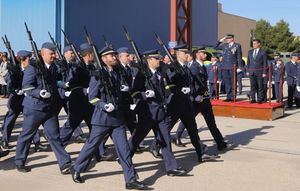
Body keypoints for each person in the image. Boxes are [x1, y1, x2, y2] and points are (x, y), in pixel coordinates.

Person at [71, 46, 149, 190]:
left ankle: (130, 179)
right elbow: (92, 98)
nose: (114, 57)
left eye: (114, 55)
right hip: (102, 119)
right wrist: (103, 105)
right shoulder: (97, 75)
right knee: (91, 145)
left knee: (124, 149)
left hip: (118, 118)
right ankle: (76, 168)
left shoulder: (117, 73)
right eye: (111, 56)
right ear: (103, 59)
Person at [14, 42, 71, 173]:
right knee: (27, 135)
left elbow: (55, 81)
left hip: (49, 108)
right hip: (34, 108)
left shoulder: (53, 67)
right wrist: (39, 92)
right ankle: (19, 161)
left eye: (55, 53)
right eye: (51, 53)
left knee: (54, 136)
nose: (54, 55)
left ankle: (64, 163)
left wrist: (64, 84)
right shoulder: (32, 67)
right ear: (43, 53)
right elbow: (26, 86)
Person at [174, 47, 228, 151]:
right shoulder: (194, 67)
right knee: (188, 120)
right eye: (203, 53)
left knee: (211, 122)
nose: (205, 55)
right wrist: (194, 96)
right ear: (198, 54)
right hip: (197, 100)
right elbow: (192, 83)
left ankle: (220, 142)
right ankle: (176, 136)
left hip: (205, 99)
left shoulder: (201, 66)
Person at [1, 50, 46, 152]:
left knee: (31, 122)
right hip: (16, 99)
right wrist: (16, 91)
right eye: (28, 58)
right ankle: (5, 140)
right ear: (22, 60)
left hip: (27, 99)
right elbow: (9, 85)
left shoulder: (31, 69)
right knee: (10, 120)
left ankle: (37, 143)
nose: (30, 60)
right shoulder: (14, 70)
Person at [216, 34, 243, 101]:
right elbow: (215, 47)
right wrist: (221, 40)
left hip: (233, 66)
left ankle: (233, 96)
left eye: (228, 38)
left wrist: (239, 67)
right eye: (226, 39)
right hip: (225, 66)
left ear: (232, 39)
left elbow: (239, 57)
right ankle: (228, 96)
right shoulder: (224, 45)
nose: (227, 40)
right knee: (227, 82)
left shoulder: (237, 45)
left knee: (233, 82)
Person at [246, 39, 267, 104]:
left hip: (260, 72)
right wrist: (247, 70)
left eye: (255, 43)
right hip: (251, 72)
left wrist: (264, 72)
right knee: (252, 86)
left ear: (259, 44)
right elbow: (248, 62)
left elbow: (265, 63)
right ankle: (253, 98)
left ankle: (260, 99)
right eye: (253, 43)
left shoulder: (263, 52)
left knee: (260, 86)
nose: (253, 45)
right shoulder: (250, 52)